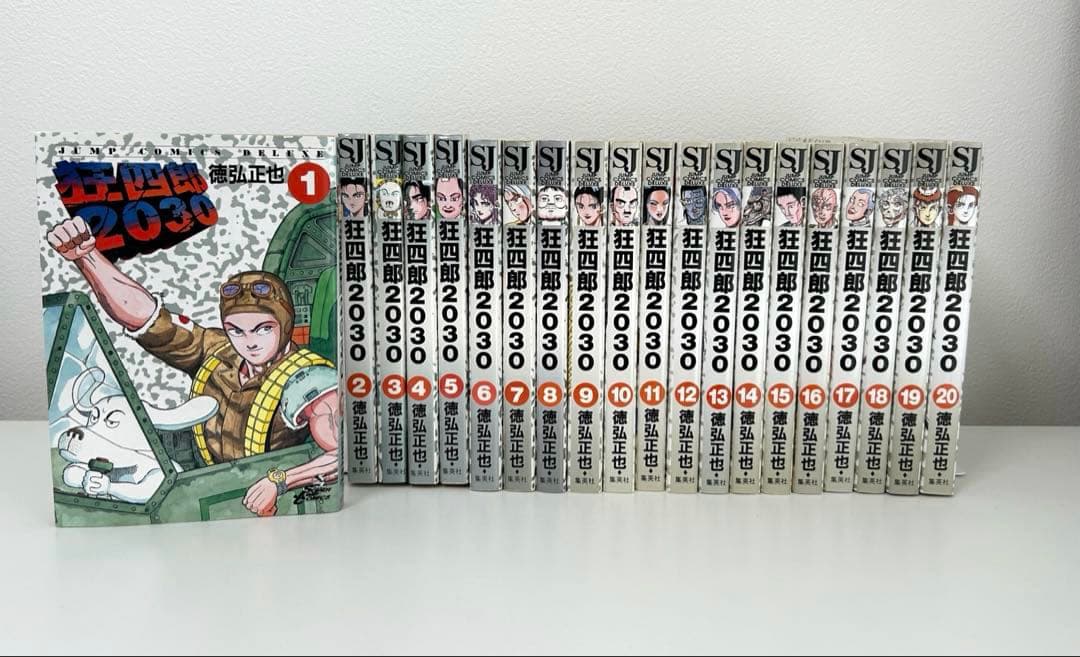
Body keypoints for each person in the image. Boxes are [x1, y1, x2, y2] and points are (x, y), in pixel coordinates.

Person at [45, 217, 340, 517]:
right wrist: (87, 257)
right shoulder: (217, 349)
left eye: (263, 329)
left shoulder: (309, 378)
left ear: (285, 323)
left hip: (260, 501)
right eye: (237, 330)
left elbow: (338, 453)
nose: (250, 342)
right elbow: (147, 318)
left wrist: (280, 481)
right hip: (200, 487)